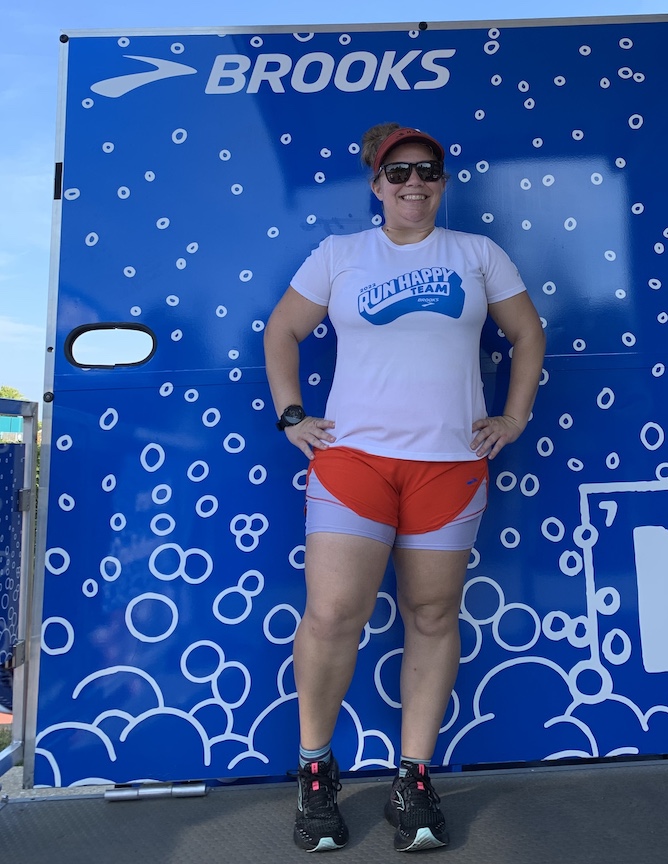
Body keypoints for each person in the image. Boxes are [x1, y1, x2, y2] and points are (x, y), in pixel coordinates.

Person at [264, 122, 545, 853]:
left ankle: (412, 780)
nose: (413, 184)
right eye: (398, 173)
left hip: (449, 467)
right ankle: (316, 772)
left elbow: (528, 334)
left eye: (427, 171)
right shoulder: (341, 255)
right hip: (353, 462)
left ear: (443, 181)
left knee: (430, 614)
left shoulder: (479, 254)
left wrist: (512, 417)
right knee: (331, 616)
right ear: (375, 183)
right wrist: (290, 413)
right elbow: (283, 330)